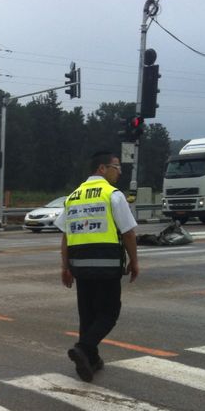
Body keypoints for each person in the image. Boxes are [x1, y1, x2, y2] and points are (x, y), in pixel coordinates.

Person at [54, 151, 139, 382]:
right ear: (102, 168)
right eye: (116, 167)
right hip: (106, 264)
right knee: (109, 314)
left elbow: (66, 236)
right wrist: (134, 261)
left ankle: (91, 361)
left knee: (88, 315)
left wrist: (65, 267)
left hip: (80, 266)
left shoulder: (74, 196)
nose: (119, 172)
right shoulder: (113, 195)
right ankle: (83, 348)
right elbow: (128, 233)